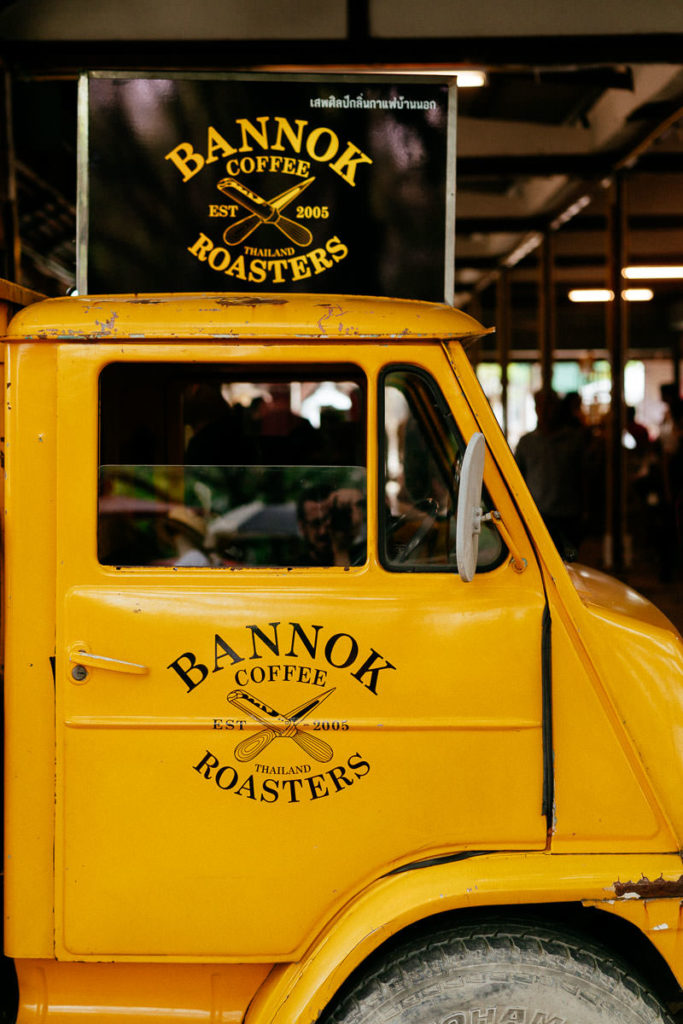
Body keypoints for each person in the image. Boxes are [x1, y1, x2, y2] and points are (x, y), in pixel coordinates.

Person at [515, 389, 586, 560]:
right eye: (541, 405)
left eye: (550, 405)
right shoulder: (526, 443)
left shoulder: (573, 440)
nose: (546, 410)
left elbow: (583, 476)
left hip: (568, 514)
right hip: (537, 515)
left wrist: (585, 511)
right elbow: (517, 480)